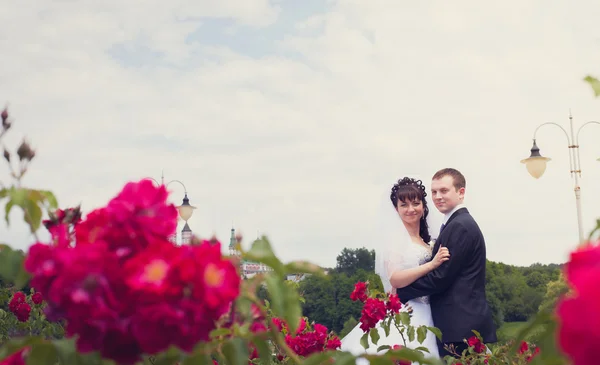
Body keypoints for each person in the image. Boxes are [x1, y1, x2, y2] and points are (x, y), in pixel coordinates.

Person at [340, 176, 450, 363]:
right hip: (407, 312)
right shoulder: (395, 241)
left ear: (423, 207)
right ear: (396, 209)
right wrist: (432, 264)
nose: (411, 209)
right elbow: (395, 278)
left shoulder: (426, 241)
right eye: (404, 205)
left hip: (429, 312)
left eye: (416, 203)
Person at [396, 168, 497, 358]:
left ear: (461, 192)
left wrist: (402, 292)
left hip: (460, 325)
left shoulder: (460, 226)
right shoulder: (455, 223)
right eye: (434, 192)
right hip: (456, 325)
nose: (437, 197)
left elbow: (440, 277)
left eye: (444, 191)